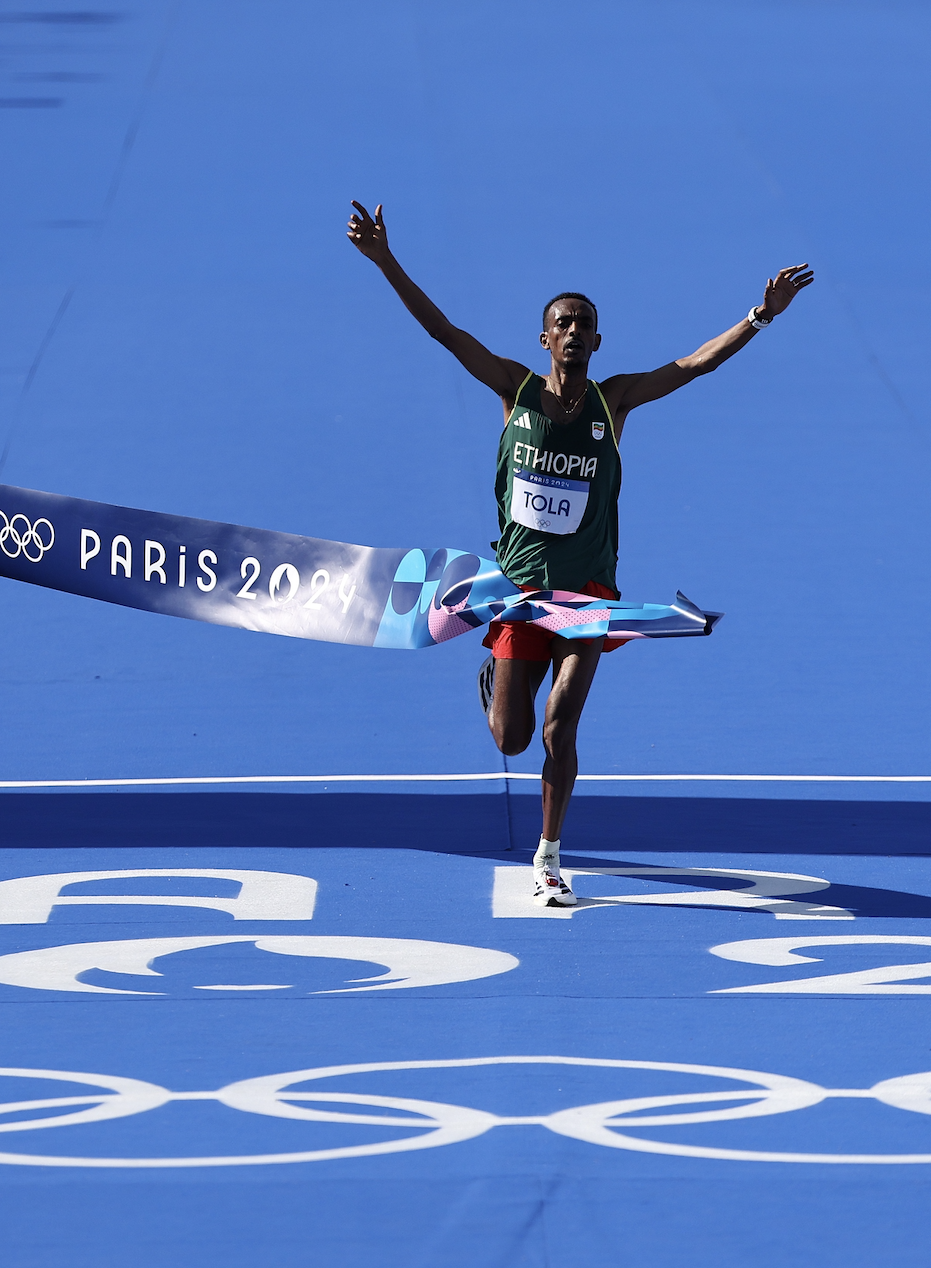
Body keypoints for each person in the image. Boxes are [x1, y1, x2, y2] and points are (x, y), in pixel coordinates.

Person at [347, 201, 813, 906]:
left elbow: (692, 366)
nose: (573, 332)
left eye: (583, 326)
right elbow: (444, 332)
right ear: (543, 339)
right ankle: (492, 682)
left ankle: (550, 856)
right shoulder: (514, 389)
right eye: (562, 324)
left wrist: (761, 315)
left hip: (586, 597)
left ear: (597, 342)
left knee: (561, 725)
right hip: (518, 593)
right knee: (510, 737)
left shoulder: (614, 402)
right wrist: (386, 261)